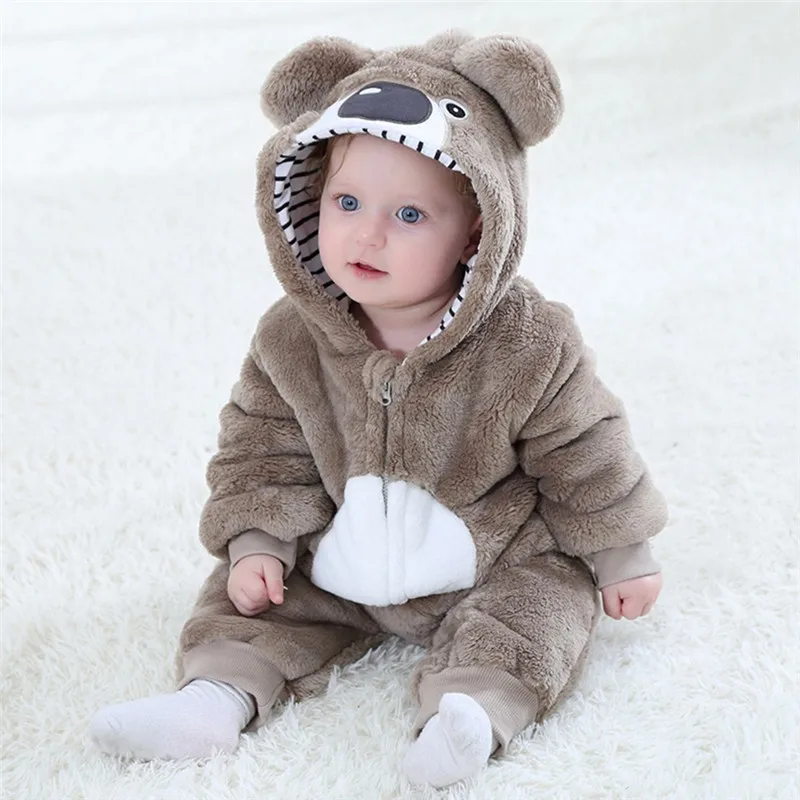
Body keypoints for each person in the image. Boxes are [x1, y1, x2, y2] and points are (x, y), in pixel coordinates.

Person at [90, 30, 667, 788]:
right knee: (249, 597)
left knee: (546, 603)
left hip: (491, 559)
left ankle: (471, 712)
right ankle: (214, 698)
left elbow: (586, 448)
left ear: (477, 229)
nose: (367, 233)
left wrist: (621, 553)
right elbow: (261, 447)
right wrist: (259, 540)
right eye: (347, 202)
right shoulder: (291, 338)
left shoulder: (527, 341)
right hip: (340, 556)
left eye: (410, 216)